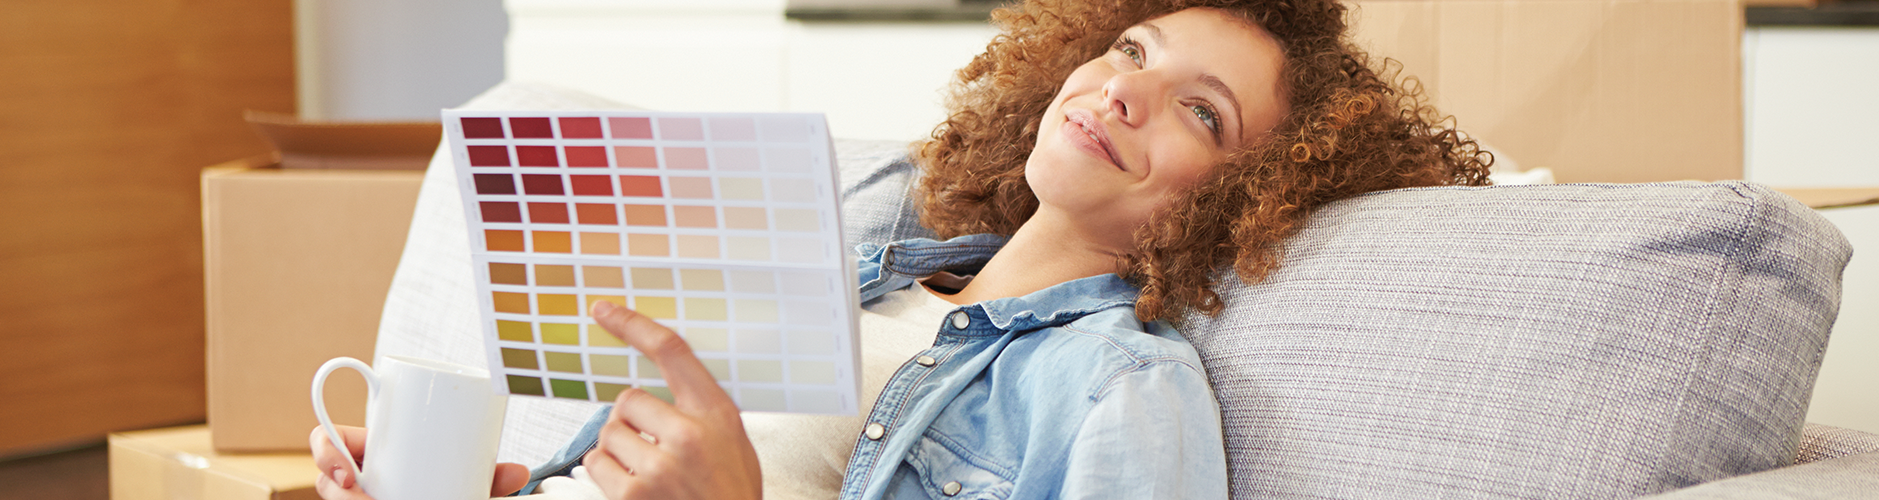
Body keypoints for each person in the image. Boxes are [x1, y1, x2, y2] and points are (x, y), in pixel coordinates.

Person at [312, 0, 1491, 498]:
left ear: (1247, 198)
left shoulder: (1120, 388)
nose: (1124, 90)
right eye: (1131, 48)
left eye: (1201, 110)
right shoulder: (862, 254)